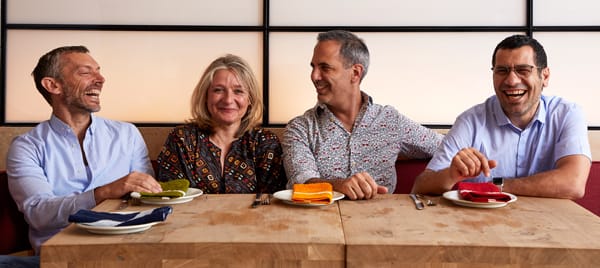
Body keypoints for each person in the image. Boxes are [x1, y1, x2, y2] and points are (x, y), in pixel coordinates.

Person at [6, 46, 162, 258]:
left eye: (98, 71)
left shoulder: (127, 134)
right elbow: (39, 214)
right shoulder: (27, 146)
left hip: (125, 252)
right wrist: (103, 193)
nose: (101, 79)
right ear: (53, 85)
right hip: (60, 259)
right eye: (86, 72)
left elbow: (147, 199)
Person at [411, 35, 592, 199]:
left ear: (544, 76)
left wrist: (494, 187)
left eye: (523, 70)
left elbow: (573, 184)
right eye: (502, 71)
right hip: (479, 226)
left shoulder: (567, 114)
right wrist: (451, 174)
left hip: (550, 227)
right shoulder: (470, 121)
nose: (512, 80)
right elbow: (420, 186)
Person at [282, 30, 443, 200]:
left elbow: (446, 147)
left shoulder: (390, 120)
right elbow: (300, 183)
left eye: (325, 67)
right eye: (313, 67)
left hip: (384, 221)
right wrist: (338, 186)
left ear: (355, 73)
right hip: (321, 222)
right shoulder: (300, 128)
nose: (314, 76)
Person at [156, 54, 286, 194]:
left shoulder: (265, 142)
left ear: (250, 99)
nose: (228, 100)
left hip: (253, 216)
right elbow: (170, 198)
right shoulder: (182, 139)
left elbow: (271, 202)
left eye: (238, 91)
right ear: (206, 96)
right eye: (218, 90)